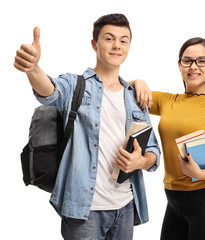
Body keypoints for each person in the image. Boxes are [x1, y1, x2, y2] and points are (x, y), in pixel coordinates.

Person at [14, 13, 160, 240]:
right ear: (94, 44)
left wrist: (141, 161)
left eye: (123, 40)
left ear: (129, 46)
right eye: (109, 38)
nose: (116, 45)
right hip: (85, 210)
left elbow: (153, 151)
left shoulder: (135, 97)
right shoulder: (76, 85)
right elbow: (50, 91)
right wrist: (33, 69)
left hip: (126, 206)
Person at [131, 37, 205, 240]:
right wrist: (138, 81)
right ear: (179, 66)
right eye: (187, 61)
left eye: (201, 61)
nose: (193, 66)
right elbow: (120, 90)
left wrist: (202, 173)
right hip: (174, 202)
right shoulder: (168, 101)